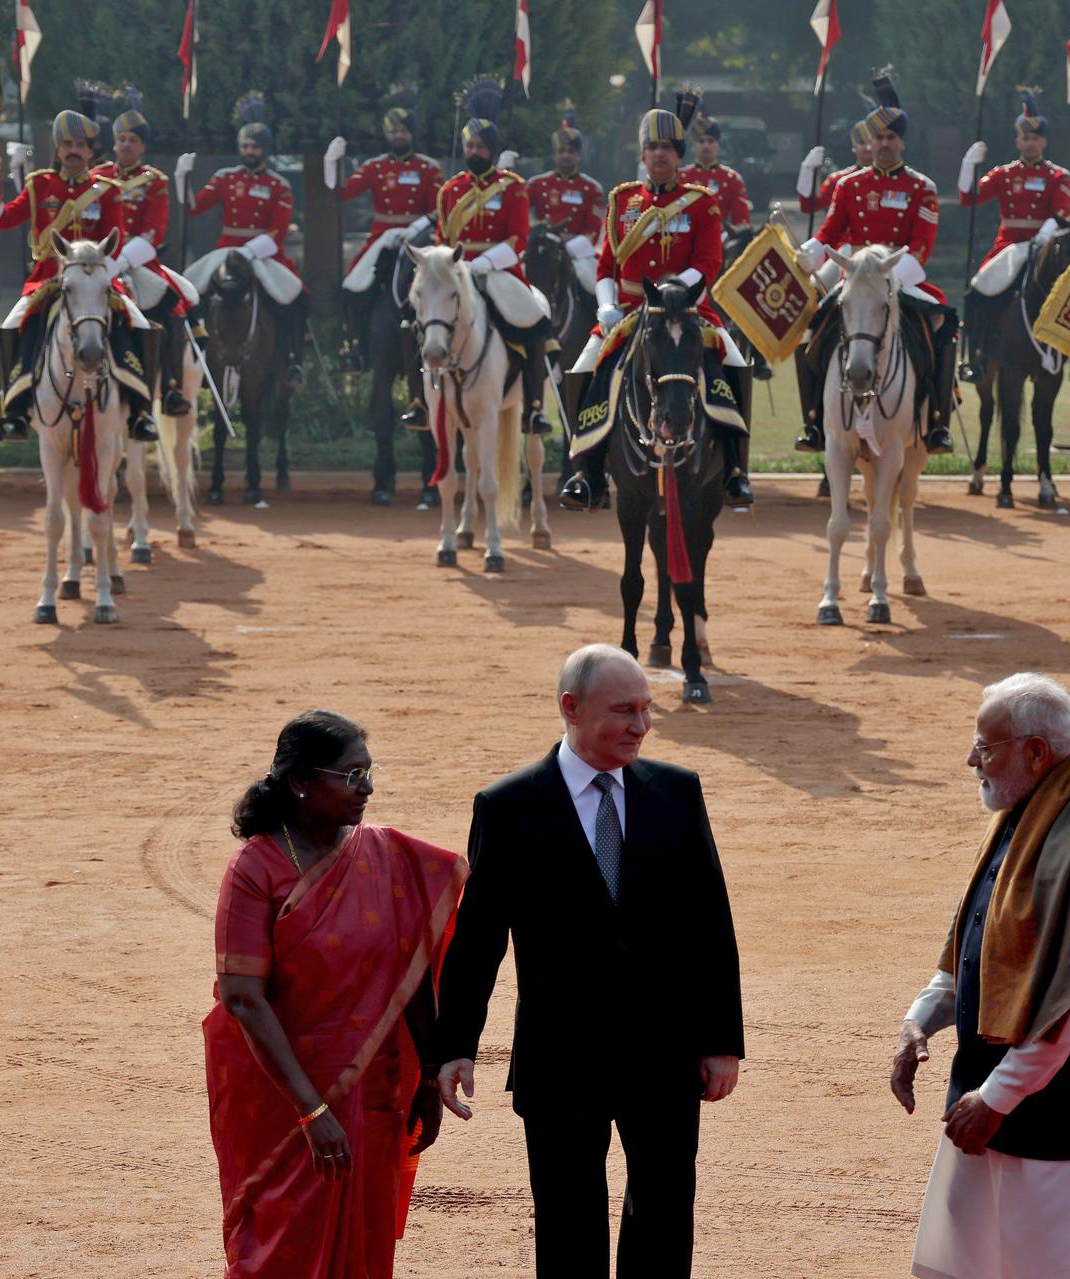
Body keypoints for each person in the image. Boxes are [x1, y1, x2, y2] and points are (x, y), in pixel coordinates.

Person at [433, 644, 744, 1279]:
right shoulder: (509, 805)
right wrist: (455, 1043)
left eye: (646, 710)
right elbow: (479, 935)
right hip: (560, 1055)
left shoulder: (677, 792)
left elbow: (709, 923)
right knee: (568, 1219)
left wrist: (720, 1041)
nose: (641, 725)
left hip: (664, 1049)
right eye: (624, 711)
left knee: (662, 1213)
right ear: (570, 709)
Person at [896, 673, 1070, 1279]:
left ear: (1035, 752)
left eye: (986, 746)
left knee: (1051, 1263)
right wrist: (919, 1021)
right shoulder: (1027, 814)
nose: (972, 759)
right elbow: (979, 943)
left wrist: (996, 1099)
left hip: (1065, 1113)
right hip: (997, 1095)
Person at [205, 710, 466, 1279]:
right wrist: (312, 1111)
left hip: (372, 1092)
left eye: (369, 773)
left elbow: (412, 968)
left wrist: (424, 1077)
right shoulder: (256, 868)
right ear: (301, 782)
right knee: (280, 1244)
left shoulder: (384, 856)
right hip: (280, 1095)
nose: (366, 787)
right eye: (350, 775)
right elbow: (243, 997)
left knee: (364, 1240)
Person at [556, 88, 756, 513]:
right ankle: (584, 471)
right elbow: (606, 265)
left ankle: (736, 471)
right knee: (583, 367)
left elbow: (708, 262)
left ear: (678, 154)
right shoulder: (622, 200)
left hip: (686, 310)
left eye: (666, 147)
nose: (658, 154)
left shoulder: (702, 202)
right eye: (651, 147)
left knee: (736, 362)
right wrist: (605, 306)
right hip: (628, 312)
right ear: (642, 155)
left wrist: (672, 294)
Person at [795, 68, 958, 456]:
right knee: (810, 331)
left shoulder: (922, 188)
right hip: (855, 279)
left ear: (901, 142)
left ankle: (937, 424)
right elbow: (832, 231)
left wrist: (890, 282)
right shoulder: (849, 185)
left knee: (944, 327)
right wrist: (812, 251)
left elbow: (921, 246)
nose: (883, 144)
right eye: (877, 137)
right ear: (868, 142)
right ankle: (814, 423)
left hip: (900, 279)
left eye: (890, 137)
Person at [0, 108, 160, 443]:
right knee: (12, 324)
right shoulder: (39, 185)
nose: (73, 150)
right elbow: (2, 220)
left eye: (80, 144)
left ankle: (141, 411)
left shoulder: (106, 190)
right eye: (67, 144)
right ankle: (14, 409)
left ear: (92, 151)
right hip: (48, 276)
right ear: (57, 149)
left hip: (94, 277)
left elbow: (116, 239)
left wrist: (103, 271)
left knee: (139, 323)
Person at [426, 80, 556, 439]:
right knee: (418, 317)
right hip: (456, 271)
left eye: (481, 146)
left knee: (533, 318)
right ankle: (422, 399)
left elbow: (518, 239)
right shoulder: (450, 190)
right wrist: (444, 262)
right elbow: (442, 237)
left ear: (494, 151)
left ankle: (533, 408)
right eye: (470, 144)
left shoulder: (512, 186)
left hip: (499, 269)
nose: (474, 150)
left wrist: (483, 263)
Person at [174, 91, 307, 391]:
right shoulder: (225, 178)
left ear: (264, 150)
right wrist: (182, 179)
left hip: (262, 253)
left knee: (294, 297)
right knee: (192, 292)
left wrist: (249, 252)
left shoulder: (279, 185)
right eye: (245, 146)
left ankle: (292, 359)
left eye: (254, 147)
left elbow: (278, 231)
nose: (249, 151)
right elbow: (194, 207)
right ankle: (195, 352)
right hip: (225, 251)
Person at [328, 104, 444, 403]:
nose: (398, 135)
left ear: (412, 134)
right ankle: (357, 346)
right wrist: (332, 162)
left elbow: (437, 208)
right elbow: (343, 192)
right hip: (383, 238)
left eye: (403, 130)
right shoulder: (376, 167)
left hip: (419, 239)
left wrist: (416, 227)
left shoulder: (428, 168)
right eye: (393, 130)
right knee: (354, 285)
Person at [92, 94, 198, 418]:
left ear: (142, 147)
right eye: (121, 139)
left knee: (171, 303)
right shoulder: (96, 178)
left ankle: (170, 387)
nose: (125, 145)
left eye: (132, 140)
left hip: (138, 261)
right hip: (96, 261)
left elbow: (154, 232)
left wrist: (120, 262)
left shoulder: (156, 181)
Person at [958, 87, 1070, 380]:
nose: (1030, 142)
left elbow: (1060, 215)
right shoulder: (1003, 174)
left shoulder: (1057, 176)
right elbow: (969, 197)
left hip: (1044, 245)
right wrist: (968, 165)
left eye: (1035, 138)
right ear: (1017, 140)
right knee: (977, 291)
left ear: (1044, 141)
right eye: (1025, 137)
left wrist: (1041, 239)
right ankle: (978, 355)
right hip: (1007, 247)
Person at [527, 111, 608, 297]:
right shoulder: (536, 184)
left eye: (570, 152)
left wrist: (566, 248)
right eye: (561, 151)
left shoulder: (591, 188)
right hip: (542, 250)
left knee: (593, 287)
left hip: (576, 252)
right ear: (554, 155)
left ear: (578, 156)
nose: (565, 155)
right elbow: (519, 211)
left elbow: (593, 231)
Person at [678, 116, 753, 233]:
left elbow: (742, 222)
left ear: (718, 145)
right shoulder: (680, 177)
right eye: (701, 141)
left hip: (721, 243)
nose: (706, 145)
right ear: (693, 146)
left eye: (711, 141)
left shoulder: (731, 179)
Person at [796, 120, 875, 222]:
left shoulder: (890, 177)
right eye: (862, 143)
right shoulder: (839, 180)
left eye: (871, 142)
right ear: (854, 147)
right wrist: (807, 170)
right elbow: (808, 206)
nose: (867, 147)